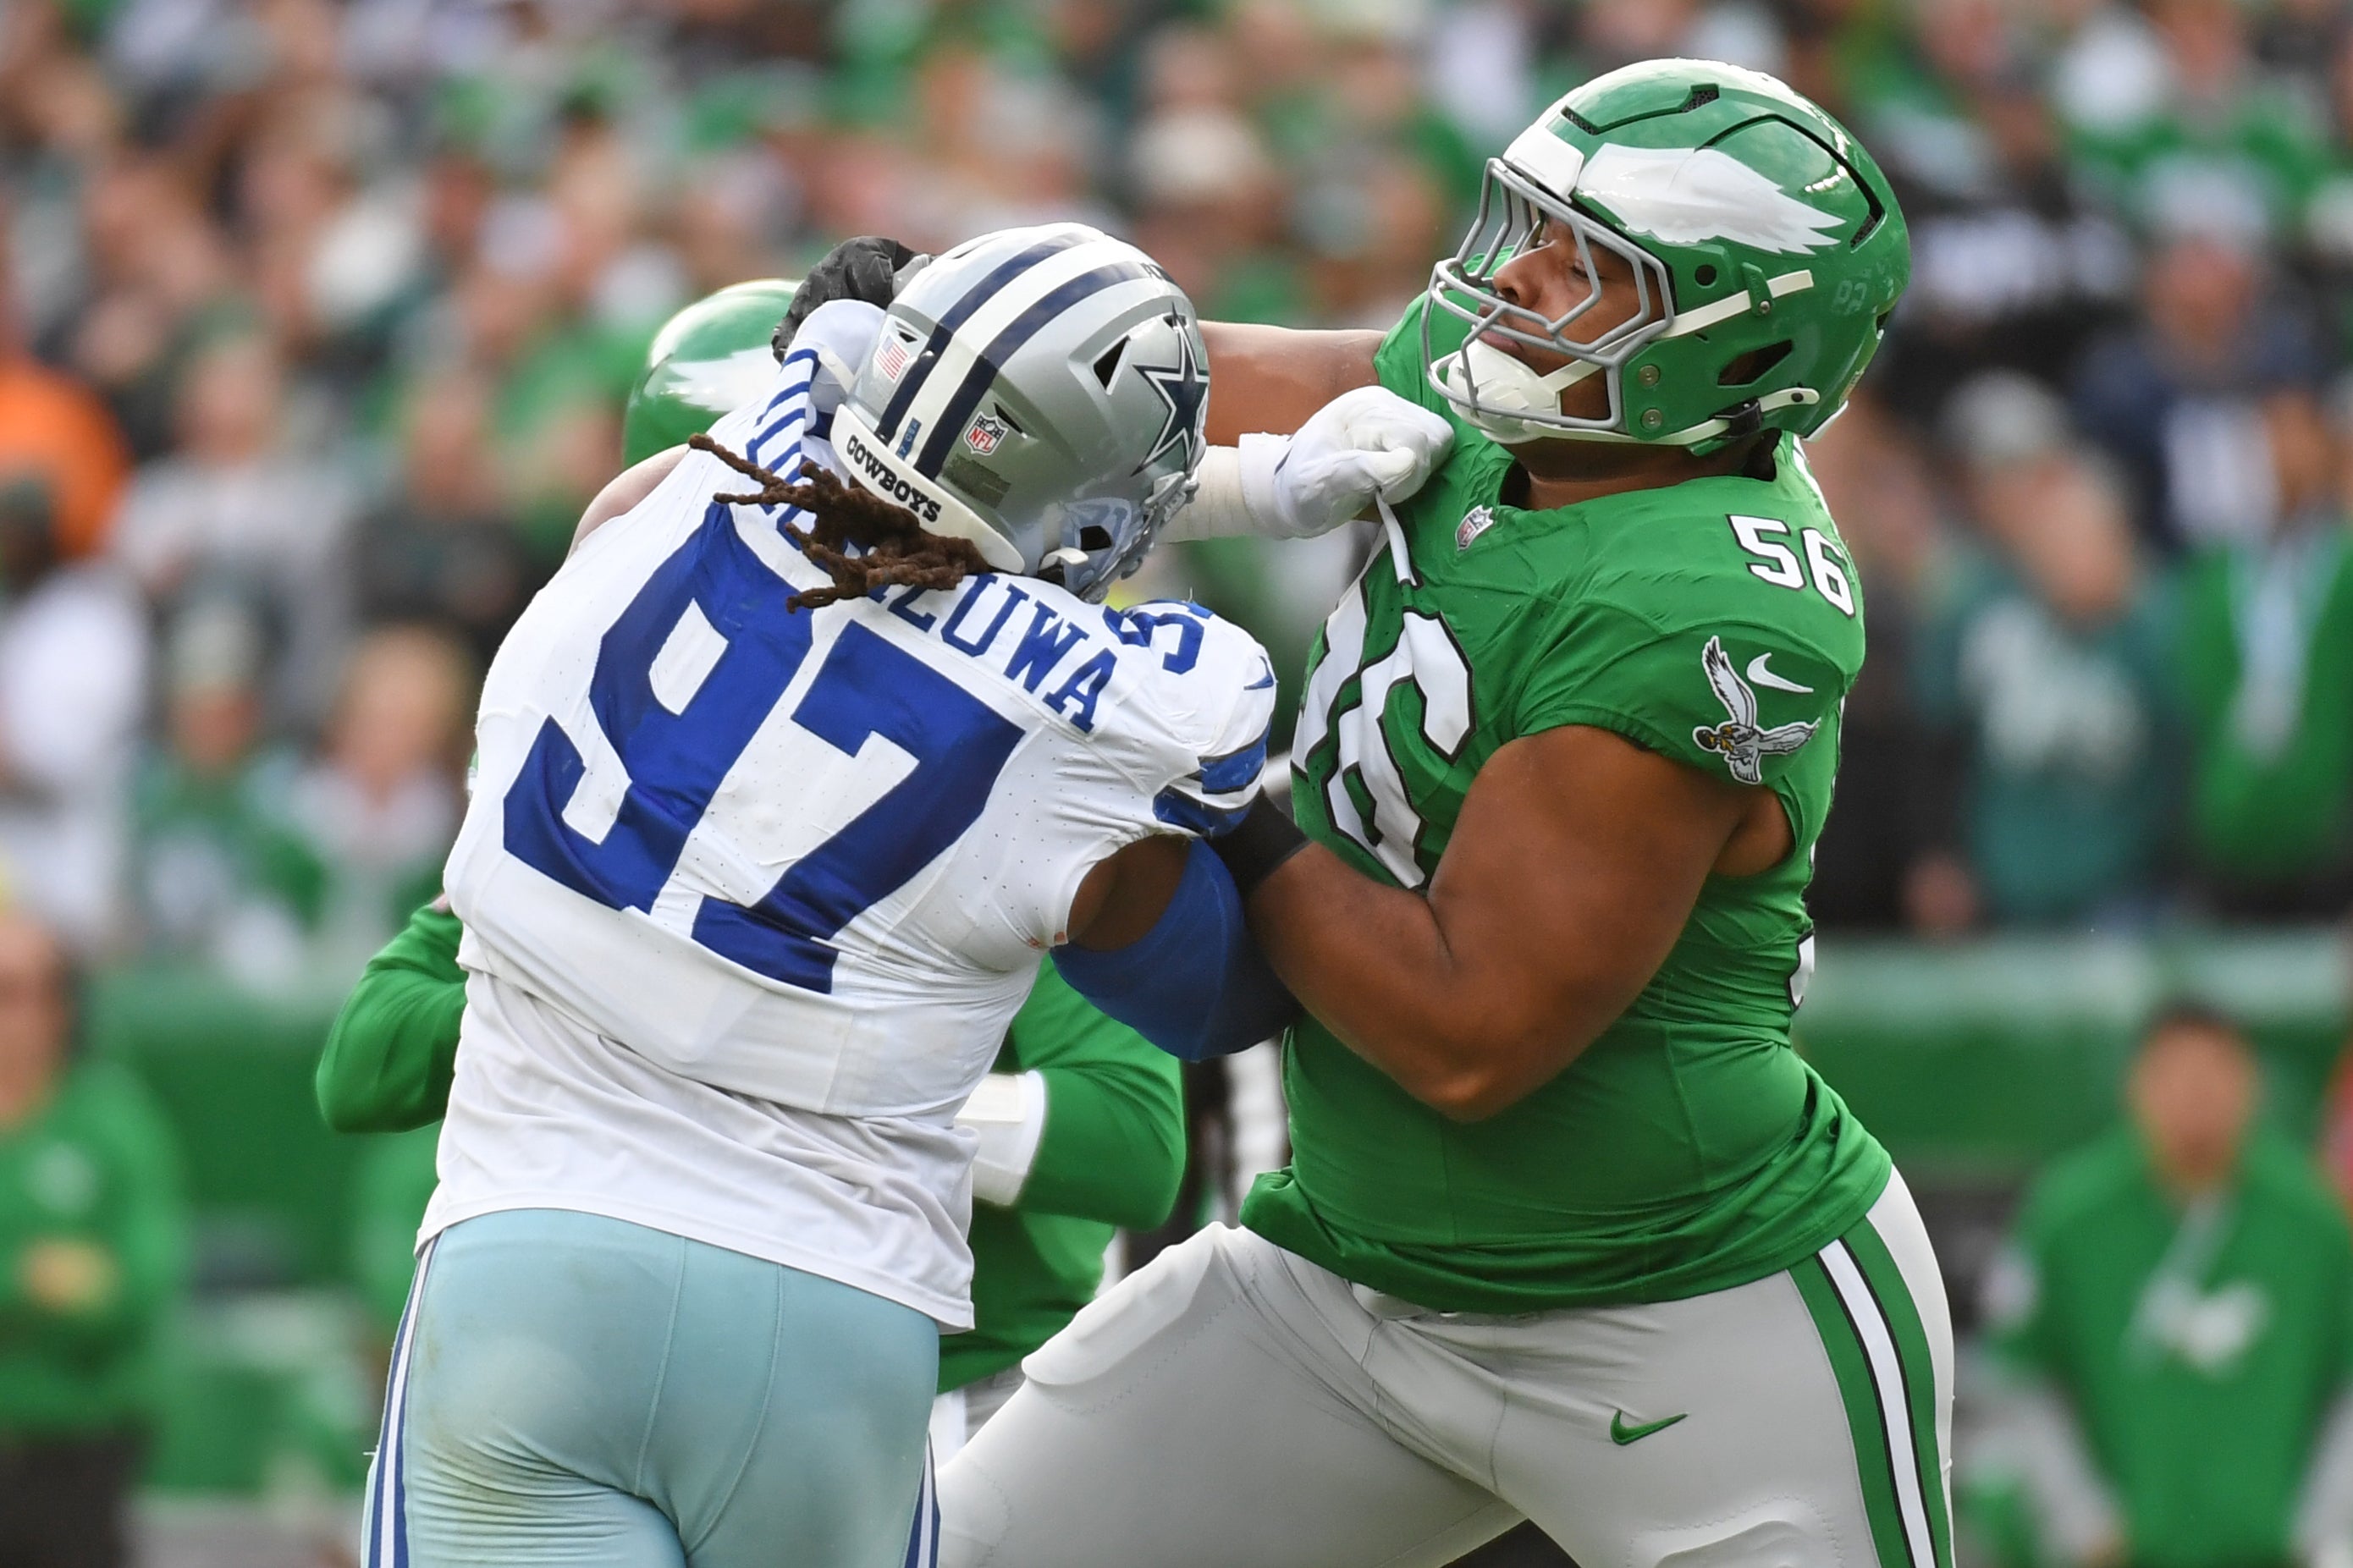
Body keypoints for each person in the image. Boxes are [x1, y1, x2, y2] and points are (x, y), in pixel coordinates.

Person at [892, 60, 1952, 1568]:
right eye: (1524, 224)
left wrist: (1229, 790)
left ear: (1730, 343)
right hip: (1354, 1278)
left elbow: (1466, 1029)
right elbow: (1234, 381)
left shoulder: (1699, 599)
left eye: (1584, 266)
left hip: (1687, 1318)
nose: (1511, 276)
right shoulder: (1534, 387)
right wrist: (959, 356)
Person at [365, 222, 1454, 1568]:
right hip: (837, 1316)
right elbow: (1184, 870)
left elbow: (831, 461)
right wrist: (1264, 492)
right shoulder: (1118, 707)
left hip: (533, 1262)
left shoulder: (641, 515)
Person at [1975, 1004, 2353, 1568]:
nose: (2196, 1095)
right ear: (2137, 1085)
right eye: (2177, 1074)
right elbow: (2017, 1379)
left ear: (2250, 1084)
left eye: (2214, 1073)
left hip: (2270, 1550)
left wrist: (2321, 1529)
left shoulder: (2313, 1220)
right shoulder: (2068, 1215)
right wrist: (2082, 1521)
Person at [0, 910, 185, 1568]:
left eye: (14, 991)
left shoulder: (114, 1122)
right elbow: (79, 1284)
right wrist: (36, 1277)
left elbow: (137, 1286)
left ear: (60, 1009)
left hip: (77, 1455)